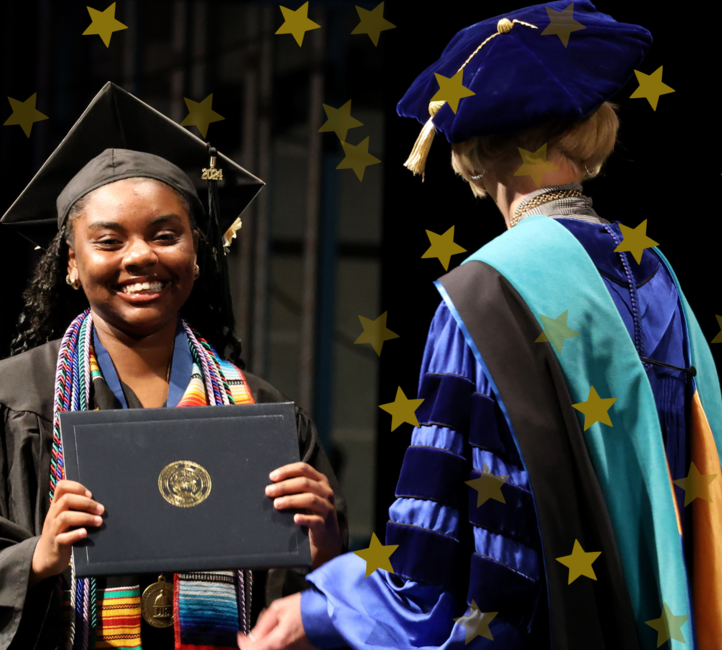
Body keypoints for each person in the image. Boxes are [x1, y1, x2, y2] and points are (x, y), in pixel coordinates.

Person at [239, 2, 721, 649]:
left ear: (474, 148)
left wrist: (323, 610)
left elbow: (441, 562)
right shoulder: (657, 272)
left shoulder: (489, 289)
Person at [0, 82, 350, 650]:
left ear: (197, 254)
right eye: (108, 241)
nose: (140, 256)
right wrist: (36, 557)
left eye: (165, 235)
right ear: (71, 264)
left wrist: (324, 547)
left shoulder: (258, 413)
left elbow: (298, 607)